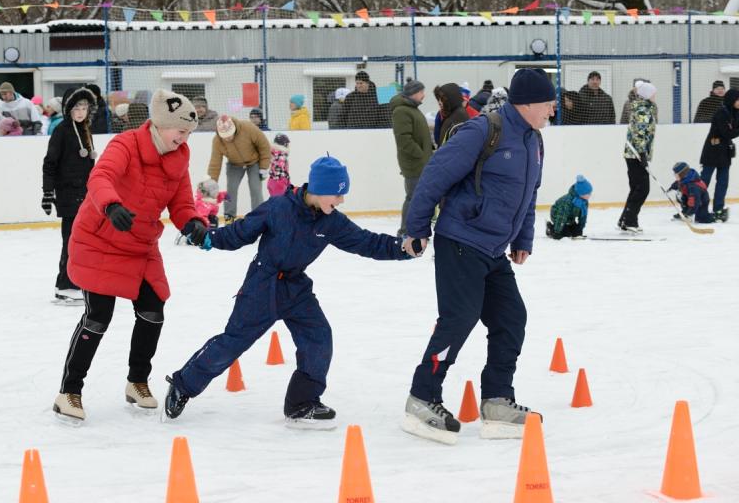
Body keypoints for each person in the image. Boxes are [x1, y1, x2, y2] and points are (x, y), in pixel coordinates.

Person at [163, 155, 413, 427]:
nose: (340, 201)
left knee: (318, 337)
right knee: (233, 342)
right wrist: (209, 238)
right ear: (318, 189)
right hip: (262, 284)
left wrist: (403, 248)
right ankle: (182, 385)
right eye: (337, 195)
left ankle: (301, 403)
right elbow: (240, 232)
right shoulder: (278, 208)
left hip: (296, 288)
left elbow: (367, 242)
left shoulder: (332, 222)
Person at [400, 68, 555, 445]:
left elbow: (528, 195)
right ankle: (423, 397)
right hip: (460, 239)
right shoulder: (483, 131)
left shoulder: (534, 142)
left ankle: (498, 400)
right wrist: (416, 228)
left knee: (511, 317)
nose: (554, 109)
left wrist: (523, 237)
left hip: (493, 248)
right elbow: (434, 176)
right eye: (550, 102)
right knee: (459, 319)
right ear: (529, 102)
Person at [52, 88, 204, 423]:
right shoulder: (126, 145)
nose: (184, 138)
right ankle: (69, 391)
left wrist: (193, 222)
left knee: (153, 309)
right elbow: (101, 176)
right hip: (100, 238)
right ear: (161, 125)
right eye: (180, 131)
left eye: (188, 133)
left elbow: (180, 203)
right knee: (98, 316)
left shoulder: (180, 158)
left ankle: (137, 382)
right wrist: (112, 205)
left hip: (140, 244)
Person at [41, 87, 98, 305]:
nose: (81, 111)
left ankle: (71, 283)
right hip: (68, 194)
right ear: (68, 109)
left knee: (81, 240)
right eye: (76, 107)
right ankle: (65, 287)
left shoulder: (84, 129)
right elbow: (50, 163)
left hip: (84, 195)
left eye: (84, 107)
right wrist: (47, 192)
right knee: (71, 241)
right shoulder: (62, 131)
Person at [207, 115, 271, 223]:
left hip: (254, 162)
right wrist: (211, 182)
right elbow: (215, 163)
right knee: (231, 189)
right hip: (234, 164)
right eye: (224, 136)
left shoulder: (248, 128)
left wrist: (264, 167)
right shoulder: (217, 141)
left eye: (229, 135)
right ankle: (229, 216)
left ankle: (259, 217)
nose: (227, 138)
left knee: (256, 189)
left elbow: (264, 145)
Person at [391, 79, 432, 237]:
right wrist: (421, 155)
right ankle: (405, 232)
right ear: (414, 93)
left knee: (417, 198)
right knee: (412, 198)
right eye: (421, 91)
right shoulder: (402, 111)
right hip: (414, 164)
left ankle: (413, 231)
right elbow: (404, 139)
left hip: (420, 163)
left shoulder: (412, 109)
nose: (424, 95)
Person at [618, 82, 657, 233]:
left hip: (633, 154)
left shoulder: (645, 108)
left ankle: (625, 220)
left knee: (636, 188)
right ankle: (629, 221)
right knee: (642, 189)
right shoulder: (643, 110)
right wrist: (642, 154)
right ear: (647, 95)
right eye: (653, 93)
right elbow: (639, 133)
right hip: (635, 155)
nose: (655, 96)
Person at [699, 88, 739, 222]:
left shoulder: (735, 113)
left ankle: (718, 209)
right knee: (704, 181)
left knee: (722, 182)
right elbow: (726, 133)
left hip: (724, 153)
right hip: (712, 151)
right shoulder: (721, 113)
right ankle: (696, 206)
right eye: (738, 100)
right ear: (732, 100)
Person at [546, 175, 593, 239]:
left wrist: (580, 228)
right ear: (581, 193)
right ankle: (551, 228)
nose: (590, 195)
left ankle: (567, 228)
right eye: (588, 193)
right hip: (557, 216)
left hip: (570, 219)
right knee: (565, 235)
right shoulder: (567, 201)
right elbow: (561, 216)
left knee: (576, 234)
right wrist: (557, 232)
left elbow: (583, 216)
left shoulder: (584, 202)